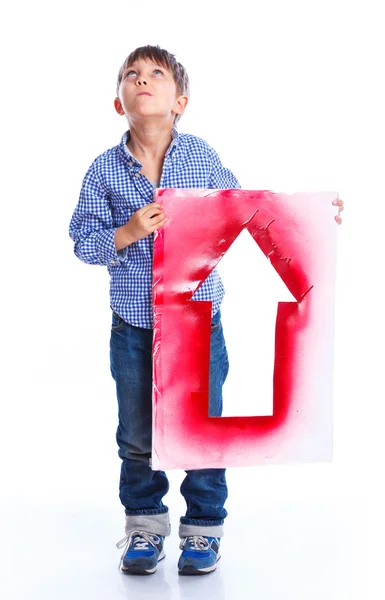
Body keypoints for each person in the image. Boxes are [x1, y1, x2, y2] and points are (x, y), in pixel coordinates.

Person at [69, 45, 344, 577]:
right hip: (133, 326)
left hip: (197, 323)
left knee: (203, 427)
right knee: (137, 433)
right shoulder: (103, 170)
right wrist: (126, 233)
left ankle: (203, 531)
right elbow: (82, 240)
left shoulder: (201, 157)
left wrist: (315, 218)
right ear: (117, 101)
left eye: (156, 74)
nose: (142, 80)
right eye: (131, 75)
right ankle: (145, 526)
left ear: (181, 101)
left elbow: (251, 211)